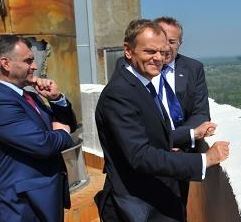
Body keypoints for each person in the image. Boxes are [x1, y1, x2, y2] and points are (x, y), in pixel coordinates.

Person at [95, 19, 229, 222]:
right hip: (140, 204)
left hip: (156, 197)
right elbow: (140, 155)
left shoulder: (141, 85)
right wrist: (205, 159)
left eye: (163, 51)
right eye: (150, 51)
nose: (159, 58)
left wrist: (167, 146)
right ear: (128, 51)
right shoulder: (120, 93)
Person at [0, 35, 77, 222]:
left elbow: (66, 123)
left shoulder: (28, 96)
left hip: (44, 201)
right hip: (23, 208)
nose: (35, 66)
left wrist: (55, 99)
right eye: (28, 61)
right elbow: (43, 144)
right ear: (5, 63)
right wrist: (62, 133)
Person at [154, 16, 215, 147]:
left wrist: (179, 139)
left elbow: (201, 113)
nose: (167, 47)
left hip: (184, 150)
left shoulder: (194, 68)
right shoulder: (137, 68)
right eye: (162, 41)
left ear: (180, 43)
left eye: (172, 42)